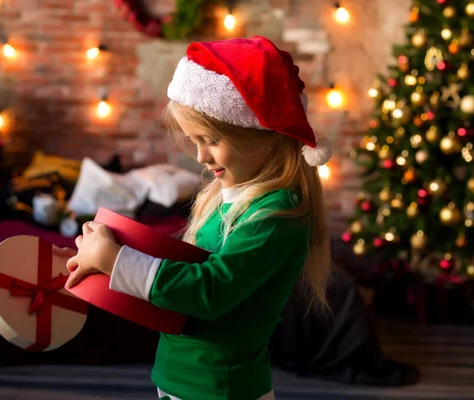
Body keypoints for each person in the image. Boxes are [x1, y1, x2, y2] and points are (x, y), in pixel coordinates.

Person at [55, 36, 334, 400]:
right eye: (193, 141)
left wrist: (112, 258)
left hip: (222, 389)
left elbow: (210, 290)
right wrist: (96, 262)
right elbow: (180, 269)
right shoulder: (221, 198)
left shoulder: (278, 213)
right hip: (177, 379)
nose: (200, 156)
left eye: (210, 140)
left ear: (259, 136)